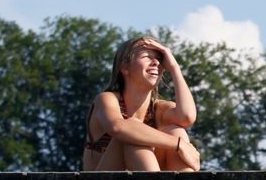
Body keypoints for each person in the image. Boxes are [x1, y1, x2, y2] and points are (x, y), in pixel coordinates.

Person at [81, 36, 201, 171]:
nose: (156, 62)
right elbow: (117, 127)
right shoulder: (107, 99)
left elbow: (186, 117)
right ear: (125, 67)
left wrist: (174, 68)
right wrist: (179, 144)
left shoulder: (159, 109)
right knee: (132, 133)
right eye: (147, 57)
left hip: (149, 179)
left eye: (160, 59)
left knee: (175, 131)